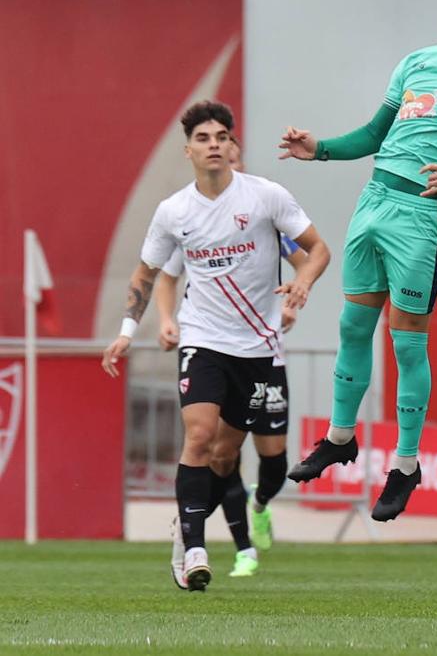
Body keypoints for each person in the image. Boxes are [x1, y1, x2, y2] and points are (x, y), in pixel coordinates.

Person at [277, 0, 437, 521]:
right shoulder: (416, 62)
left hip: (421, 213)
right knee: (351, 325)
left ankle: (406, 465)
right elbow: (373, 136)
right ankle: (341, 437)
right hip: (375, 199)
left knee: (407, 341)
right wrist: (318, 148)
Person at [101, 100, 330, 592]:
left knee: (226, 456)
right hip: (203, 339)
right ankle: (194, 545)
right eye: (203, 139)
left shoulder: (266, 197)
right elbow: (148, 275)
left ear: (231, 146)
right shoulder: (174, 212)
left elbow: (317, 249)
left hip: (258, 348)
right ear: (188, 151)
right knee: (199, 437)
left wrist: (303, 283)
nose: (213, 146)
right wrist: (127, 330)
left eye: (221, 138)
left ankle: (204, 525)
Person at [153, 136, 305, 578]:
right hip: (210, 343)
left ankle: (258, 503)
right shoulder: (188, 219)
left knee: (269, 458)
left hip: (264, 351)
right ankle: (207, 542)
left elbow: (305, 257)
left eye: (231, 151)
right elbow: (165, 275)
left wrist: (293, 301)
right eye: (212, 146)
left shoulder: (265, 213)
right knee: (207, 444)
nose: (223, 158)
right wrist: (166, 318)